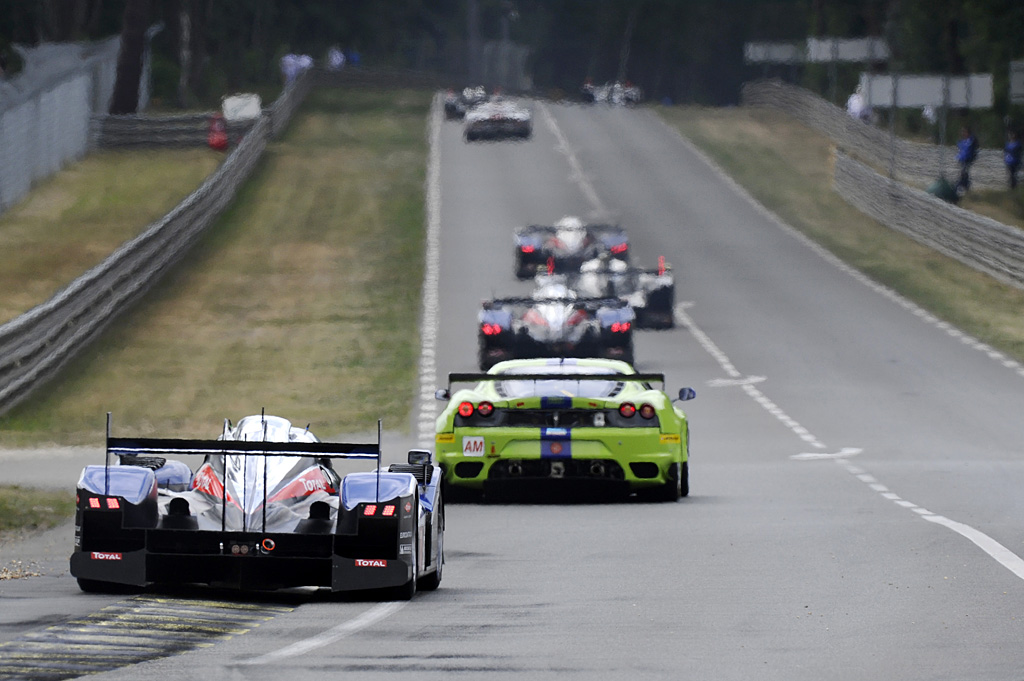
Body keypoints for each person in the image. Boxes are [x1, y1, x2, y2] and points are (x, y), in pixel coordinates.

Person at [955, 125, 979, 196]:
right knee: (964, 173)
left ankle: (961, 186)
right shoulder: (962, 141)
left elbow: (973, 149)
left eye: (964, 132)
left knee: (964, 172)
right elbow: (961, 150)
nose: (963, 133)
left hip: (968, 159)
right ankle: (965, 187)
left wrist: (972, 157)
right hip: (963, 159)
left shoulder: (971, 140)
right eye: (962, 132)